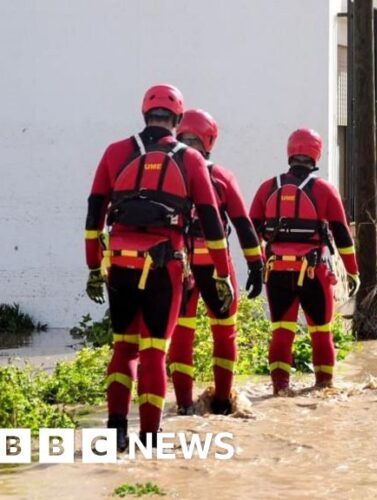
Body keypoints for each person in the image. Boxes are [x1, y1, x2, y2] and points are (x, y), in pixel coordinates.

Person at [84, 84, 234, 449]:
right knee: (154, 351)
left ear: (144, 114)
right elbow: (212, 223)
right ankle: (149, 441)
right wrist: (222, 273)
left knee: (123, 348)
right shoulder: (191, 159)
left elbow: (93, 215)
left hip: (119, 262)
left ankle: (116, 429)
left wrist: (92, 266)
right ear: (178, 119)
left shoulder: (115, 152)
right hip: (165, 265)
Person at [168, 109, 264, 416]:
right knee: (225, 333)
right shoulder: (221, 176)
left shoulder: (167, 172)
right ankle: (223, 402)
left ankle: (183, 405)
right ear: (209, 139)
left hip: (178, 264)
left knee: (181, 334)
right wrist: (256, 265)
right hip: (214, 263)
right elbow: (243, 223)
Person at [249, 128, 359, 393]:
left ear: (290, 152)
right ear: (316, 154)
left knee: (281, 331)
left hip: (276, 270)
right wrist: (353, 272)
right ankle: (324, 388)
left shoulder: (268, 187)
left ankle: (279, 389)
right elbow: (342, 234)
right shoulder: (324, 190)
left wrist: (257, 264)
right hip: (313, 272)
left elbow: (251, 229)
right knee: (321, 332)